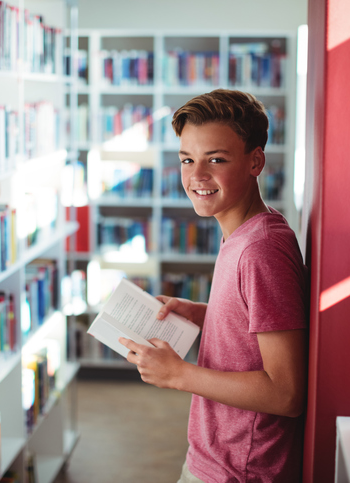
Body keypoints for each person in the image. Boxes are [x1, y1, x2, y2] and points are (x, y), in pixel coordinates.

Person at [119, 89, 309, 483]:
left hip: (239, 470)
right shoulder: (241, 233)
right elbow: (258, 327)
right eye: (187, 160)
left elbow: (286, 393)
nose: (197, 176)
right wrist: (203, 314)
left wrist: (179, 375)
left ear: (256, 161)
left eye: (216, 159)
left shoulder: (261, 250)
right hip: (217, 458)